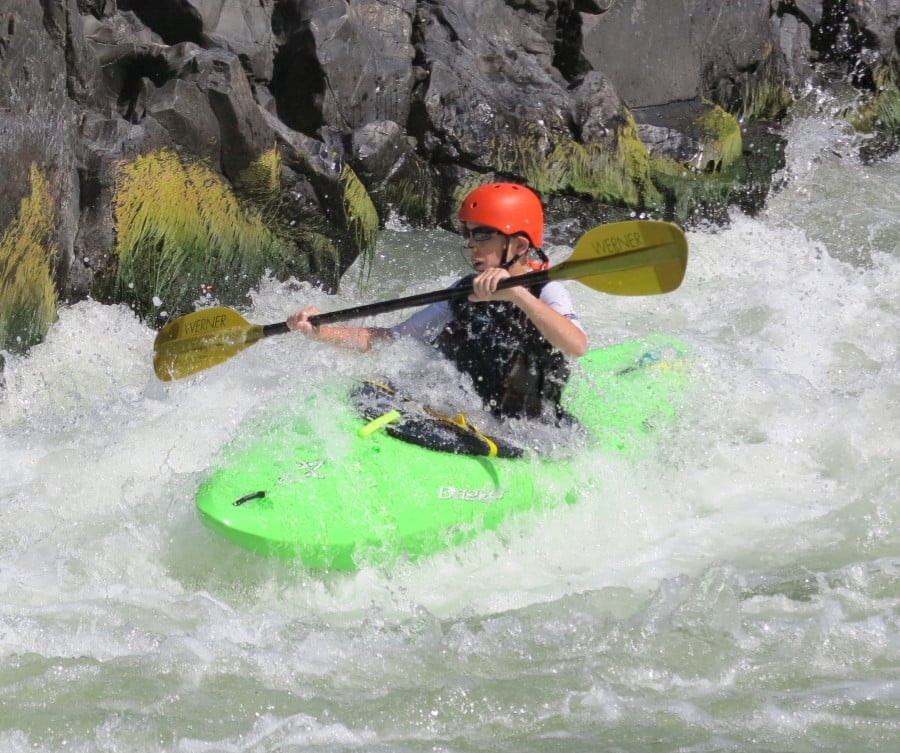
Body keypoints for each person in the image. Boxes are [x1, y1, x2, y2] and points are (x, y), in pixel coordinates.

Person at [287, 182, 588, 421]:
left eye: (482, 234)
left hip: (529, 425)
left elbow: (576, 345)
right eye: (467, 233)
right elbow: (390, 339)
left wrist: (516, 294)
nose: (470, 243)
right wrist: (320, 331)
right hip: (473, 416)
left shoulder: (547, 290)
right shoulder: (462, 293)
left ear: (519, 245)